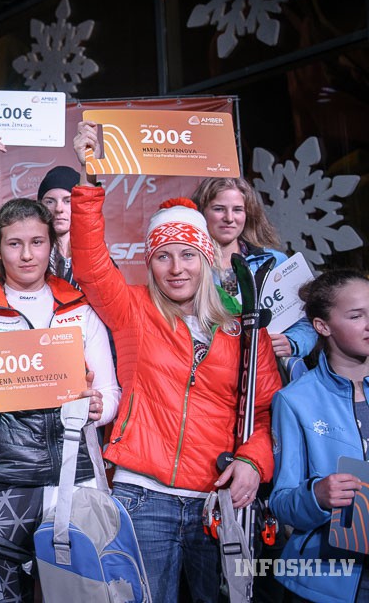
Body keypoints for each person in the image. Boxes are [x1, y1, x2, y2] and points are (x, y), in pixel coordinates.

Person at [70, 121, 281, 602]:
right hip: (143, 496)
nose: (177, 268)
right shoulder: (134, 310)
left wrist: (253, 461)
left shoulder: (244, 327)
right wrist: (89, 177)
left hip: (217, 500)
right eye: (163, 256)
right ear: (150, 262)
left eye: (188, 254)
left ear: (206, 258)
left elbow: (266, 410)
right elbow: (90, 262)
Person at [0, 197, 120, 602]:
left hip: (74, 480)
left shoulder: (79, 309)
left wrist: (101, 408)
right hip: (1, 486)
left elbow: (110, 393)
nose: (27, 255)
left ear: (51, 245)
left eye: (37, 242)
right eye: (14, 244)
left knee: (82, 599)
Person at [269, 268, 369, 602]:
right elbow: (281, 502)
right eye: (356, 316)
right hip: (327, 580)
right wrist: (317, 496)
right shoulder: (295, 400)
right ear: (322, 326)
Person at [191, 177, 317, 374]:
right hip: (212, 374)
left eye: (237, 210)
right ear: (201, 213)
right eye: (219, 209)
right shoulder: (189, 268)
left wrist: (292, 342)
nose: (229, 218)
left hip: (267, 371)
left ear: (248, 213)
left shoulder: (274, 261)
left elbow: (309, 320)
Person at [38, 164, 82, 289]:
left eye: (68, 201)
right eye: (50, 201)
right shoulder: (30, 258)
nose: (58, 209)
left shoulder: (96, 258)